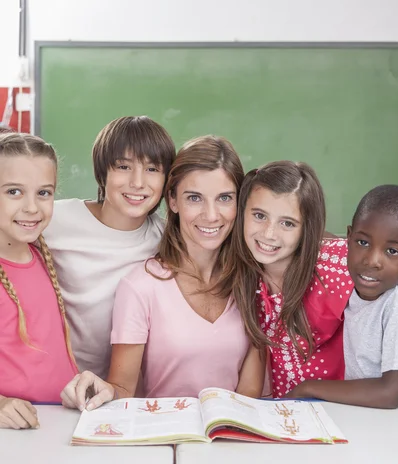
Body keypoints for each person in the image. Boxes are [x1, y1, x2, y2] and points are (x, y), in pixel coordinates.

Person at [61, 136, 265, 411]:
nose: (211, 215)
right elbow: (122, 388)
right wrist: (105, 391)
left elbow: (248, 394)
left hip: (228, 439)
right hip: (159, 440)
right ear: (172, 201)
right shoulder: (140, 286)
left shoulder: (251, 280)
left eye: (225, 198)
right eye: (194, 198)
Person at [44, 116, 175, 378]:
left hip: (120, 392)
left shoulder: (166, 239)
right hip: (54, 383)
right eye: (124, 167)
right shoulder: (54, 219)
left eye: (152, 169)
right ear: (102, 172)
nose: (137, 182)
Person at [231, 161, 353, 398]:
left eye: (287, 223)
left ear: (306, 228)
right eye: (259, 215)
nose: (268, 234)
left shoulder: (340, 267)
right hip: (284, 416)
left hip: (349, 412)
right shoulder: (241, 273)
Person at [286, 185, 398, 408]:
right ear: (348, 238)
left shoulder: (395, 303)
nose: (371, 261)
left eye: (392, 251)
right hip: (364, 418)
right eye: (363, 243)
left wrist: (309, 387)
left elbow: (391, 393)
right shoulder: (354, 285)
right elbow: (322, 239)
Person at [0, 133, 77, 429]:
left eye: (44, 193)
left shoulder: (41, 257)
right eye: (14, 192)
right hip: (16, 435)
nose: (32, 207)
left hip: (58, 425)